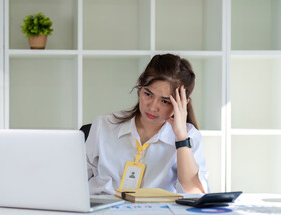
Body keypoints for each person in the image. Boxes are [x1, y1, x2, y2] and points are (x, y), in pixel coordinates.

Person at [86, 54, 209, 195]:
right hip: (103, 210)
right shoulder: (104, 125)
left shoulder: (189, 136)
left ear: (181, 104)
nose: (152, 107)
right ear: (140, 88)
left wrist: (181, 138)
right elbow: (74, 179)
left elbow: (194, 193)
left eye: (165, 101)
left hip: (157, 214)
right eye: (148, 94)